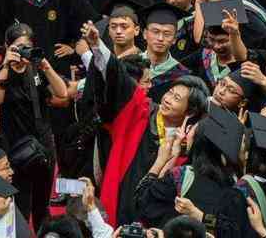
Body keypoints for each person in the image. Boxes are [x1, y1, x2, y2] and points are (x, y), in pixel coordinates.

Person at [80, 21, 209, 227]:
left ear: (190, 110)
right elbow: (118, 78)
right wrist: (97, 46)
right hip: (124, 194)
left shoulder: (191, 139)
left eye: (177, 99)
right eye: (170, 92)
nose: (167, 99)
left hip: (158, 211)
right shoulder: (142, 110)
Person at [0, 23, 68, 231]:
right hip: (14, 147)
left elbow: (62, 93)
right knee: (19, 205)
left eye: (27, 46)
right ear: (7, 46)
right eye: (17, 46)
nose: (22, 51)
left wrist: (46, 66)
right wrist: (5, 67)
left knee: (42, 205)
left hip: (42, 146)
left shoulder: (37, 68)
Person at [135, 106, 254, 238]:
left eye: (192, 131)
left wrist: (160, 161)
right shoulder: (238, 189)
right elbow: (235, 231)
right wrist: (202, 217)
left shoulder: (180, 177)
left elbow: (142, 202)